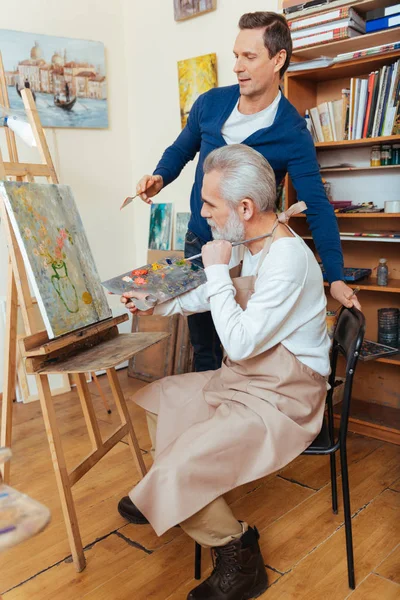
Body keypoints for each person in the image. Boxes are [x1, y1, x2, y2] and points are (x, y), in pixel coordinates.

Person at [119, 145, 331, 600]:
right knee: (162, 400)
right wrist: (158, 300)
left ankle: (238, 549)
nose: (204, 213)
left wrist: (215, 271)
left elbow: (236, 339)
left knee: (179, 465)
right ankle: (172, 486)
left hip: (286, 395)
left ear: (245, 208)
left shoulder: (287, 259)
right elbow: (222, 295)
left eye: (210, 204)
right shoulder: (252, 242)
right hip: (248, 377)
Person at [133, 11, 361, 374]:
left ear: (278, 60)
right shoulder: (210, 104)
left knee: (241, 348)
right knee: (203, 348)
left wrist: (334, 276)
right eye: (236, 55)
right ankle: (212, 417)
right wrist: (160, 177)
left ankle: (234, 414)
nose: (237, 66)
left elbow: (316, 205)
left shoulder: (292, 132)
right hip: (204, 243)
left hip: (250, 255)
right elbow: (181, 149)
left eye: (249, 57)